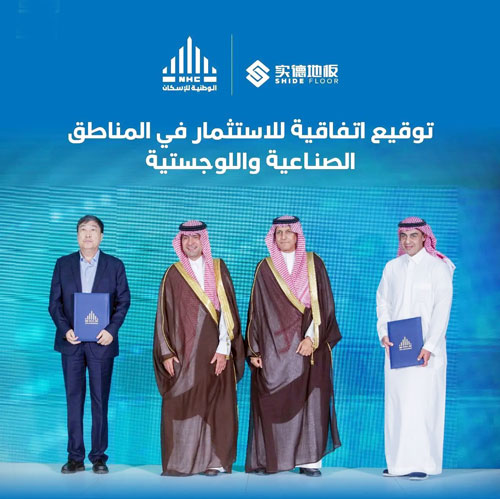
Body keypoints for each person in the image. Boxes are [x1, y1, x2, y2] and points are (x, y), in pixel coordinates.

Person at [245, 216, 341, 477]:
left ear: (298, 235)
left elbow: (325, 305)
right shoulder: (264, 268)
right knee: (272, 402)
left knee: (312, 401)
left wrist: (312, 338)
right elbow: (256, 312)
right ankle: (271, 460)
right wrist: (254, 349)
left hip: (308, 348)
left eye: (289, 232)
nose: (284, 236)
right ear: (273, 237)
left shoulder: (313, 262)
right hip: (274, 350)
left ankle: (310, 462)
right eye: (279, 232)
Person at [153, 220, 245, 477]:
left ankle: (214, 462)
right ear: (180, 242)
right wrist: (167, 353)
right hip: (183, 355)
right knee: (182, 405)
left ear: (203, 240)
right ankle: (183, 462)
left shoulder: (218, 268)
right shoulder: (173, 273)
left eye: (195, 237)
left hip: (215, 353)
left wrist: (224, 349)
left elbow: (227, 313)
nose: (191, 242)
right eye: (186, 238)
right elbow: (162, 317)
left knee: (216, 407)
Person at [49, 215, 130, 474]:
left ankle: (98, 457)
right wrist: (66, 330)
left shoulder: (114, 265)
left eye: (93, 230)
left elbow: (123, 301)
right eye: (83, 230)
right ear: (77, 235)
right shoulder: (63, 264)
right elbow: (54, 304)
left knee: (100, 400)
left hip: (101, 343)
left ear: (101, 236)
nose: (87, 234)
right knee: (74, 400)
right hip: (71, 343)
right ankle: (75, 457)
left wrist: (111, 331)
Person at [376, 216, 454, 480]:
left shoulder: (438, 268)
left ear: (424, 237)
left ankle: (423, 464)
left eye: (413, 236)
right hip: (396, 349)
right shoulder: (392, 267)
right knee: (397, 405)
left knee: (423, 405)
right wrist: (384, 333)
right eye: (403, 236)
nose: (407, 241)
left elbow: (442, 309)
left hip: (427, 352)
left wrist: (430, 345)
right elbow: (383, 302)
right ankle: (398, 464)